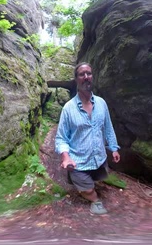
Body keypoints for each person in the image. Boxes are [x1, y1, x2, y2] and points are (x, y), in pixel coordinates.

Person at [55, 62, 121, 215]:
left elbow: (108, 127)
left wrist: (114, 147)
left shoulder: (101, 103)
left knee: (98, 177)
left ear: (92, 76)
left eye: (89, 74)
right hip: (78, 161)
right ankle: (94, 199)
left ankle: (87, 183)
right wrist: (65, 157)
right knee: (88, 189)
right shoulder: (68, 108)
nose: (86, 77)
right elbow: (61, 138)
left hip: (99, 157)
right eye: (81, 74)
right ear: (76, 79)